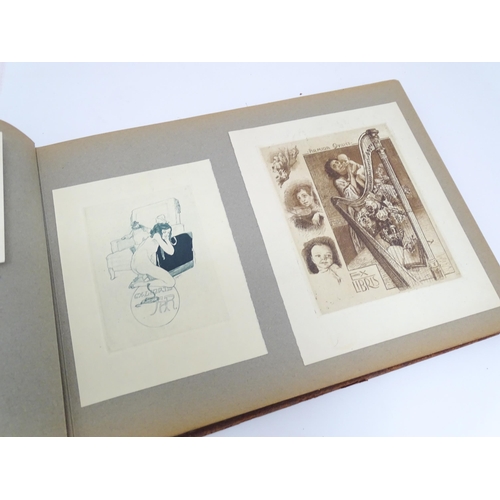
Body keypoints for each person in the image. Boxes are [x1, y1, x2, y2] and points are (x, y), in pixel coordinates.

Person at [130, 222, 176, 289]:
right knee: (171, 282)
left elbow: (152, 255)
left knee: (160, 276)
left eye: (168, 233)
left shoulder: (152, 237)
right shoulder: (157, 236)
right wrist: (167, 240)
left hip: (137, 264)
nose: (166, 234)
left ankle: (140, 279)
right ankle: (139, 284)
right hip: (141, 264)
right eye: (164, 232)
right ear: (159, 231)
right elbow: (171, 252)